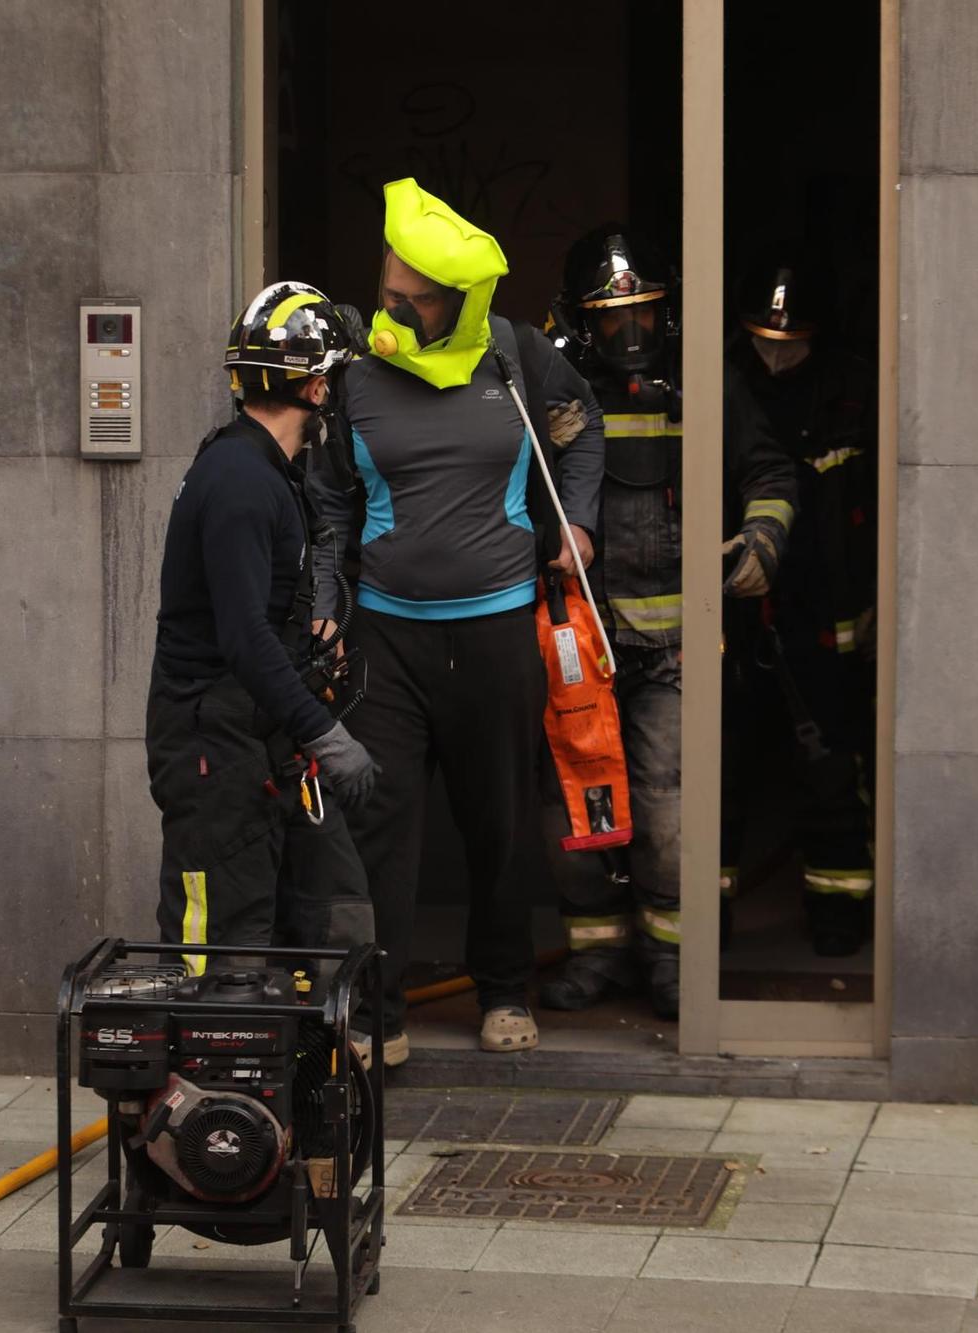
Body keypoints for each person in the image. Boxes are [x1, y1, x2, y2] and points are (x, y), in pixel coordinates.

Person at [308, 178, 605, 1065]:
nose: (393, 310)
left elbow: (582, 429)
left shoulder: (516, 357)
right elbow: (329, 504)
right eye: (388, 289)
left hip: (498, 632)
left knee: (498, 823)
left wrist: (580, 523)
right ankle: (380, 1011)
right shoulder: (355, 374)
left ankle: (504, 991)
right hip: (387, 640)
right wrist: (325, 607)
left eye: (416, 299)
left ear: (462, 302)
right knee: (382, 825)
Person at [534, 227, 799, 1019]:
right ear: (581, 320)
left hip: (675, 645)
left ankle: (672, 959)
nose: (632, 329)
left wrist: (763, 539)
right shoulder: (552, 392)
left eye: (645, 311)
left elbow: (769, 471)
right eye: (613, 316)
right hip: (581, 642)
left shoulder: (707, 383)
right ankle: (598, 953)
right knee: (575, 806)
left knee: (668, 808)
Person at [146, 283, 378, 974]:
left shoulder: (268, 471)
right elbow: (242, 637)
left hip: (262, 733)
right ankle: (203, 1048)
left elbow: (261, 612)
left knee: (331, 910)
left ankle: (307, 1040)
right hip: (216, 746)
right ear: (316, 388)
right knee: (225, 948)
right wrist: (326, 733)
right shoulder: (241, 479)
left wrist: (310, 641)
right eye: (335, 379)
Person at [726, 259, 878, 956]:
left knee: (830, 766)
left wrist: (873, 605)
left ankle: (837, 905)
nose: (775, 354)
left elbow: (878, 507)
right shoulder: (723, 380)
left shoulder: (855, 388)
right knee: (724, 767)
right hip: (735, 609)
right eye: (764, 339)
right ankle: (708, 913)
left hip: (825, 612)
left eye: (789, 341)